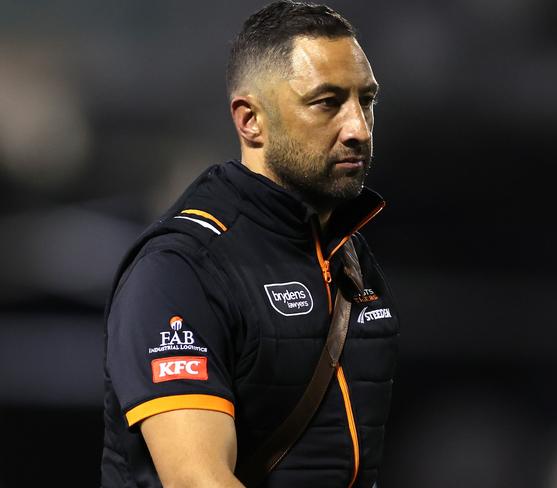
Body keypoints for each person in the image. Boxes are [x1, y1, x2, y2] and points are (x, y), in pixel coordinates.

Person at [101, 1, 399, 487]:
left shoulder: (348, 254)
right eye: (327, 102)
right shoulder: (180, 269)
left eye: (365, 100)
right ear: (250, 121)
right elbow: (197, 480)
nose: (358, 129)